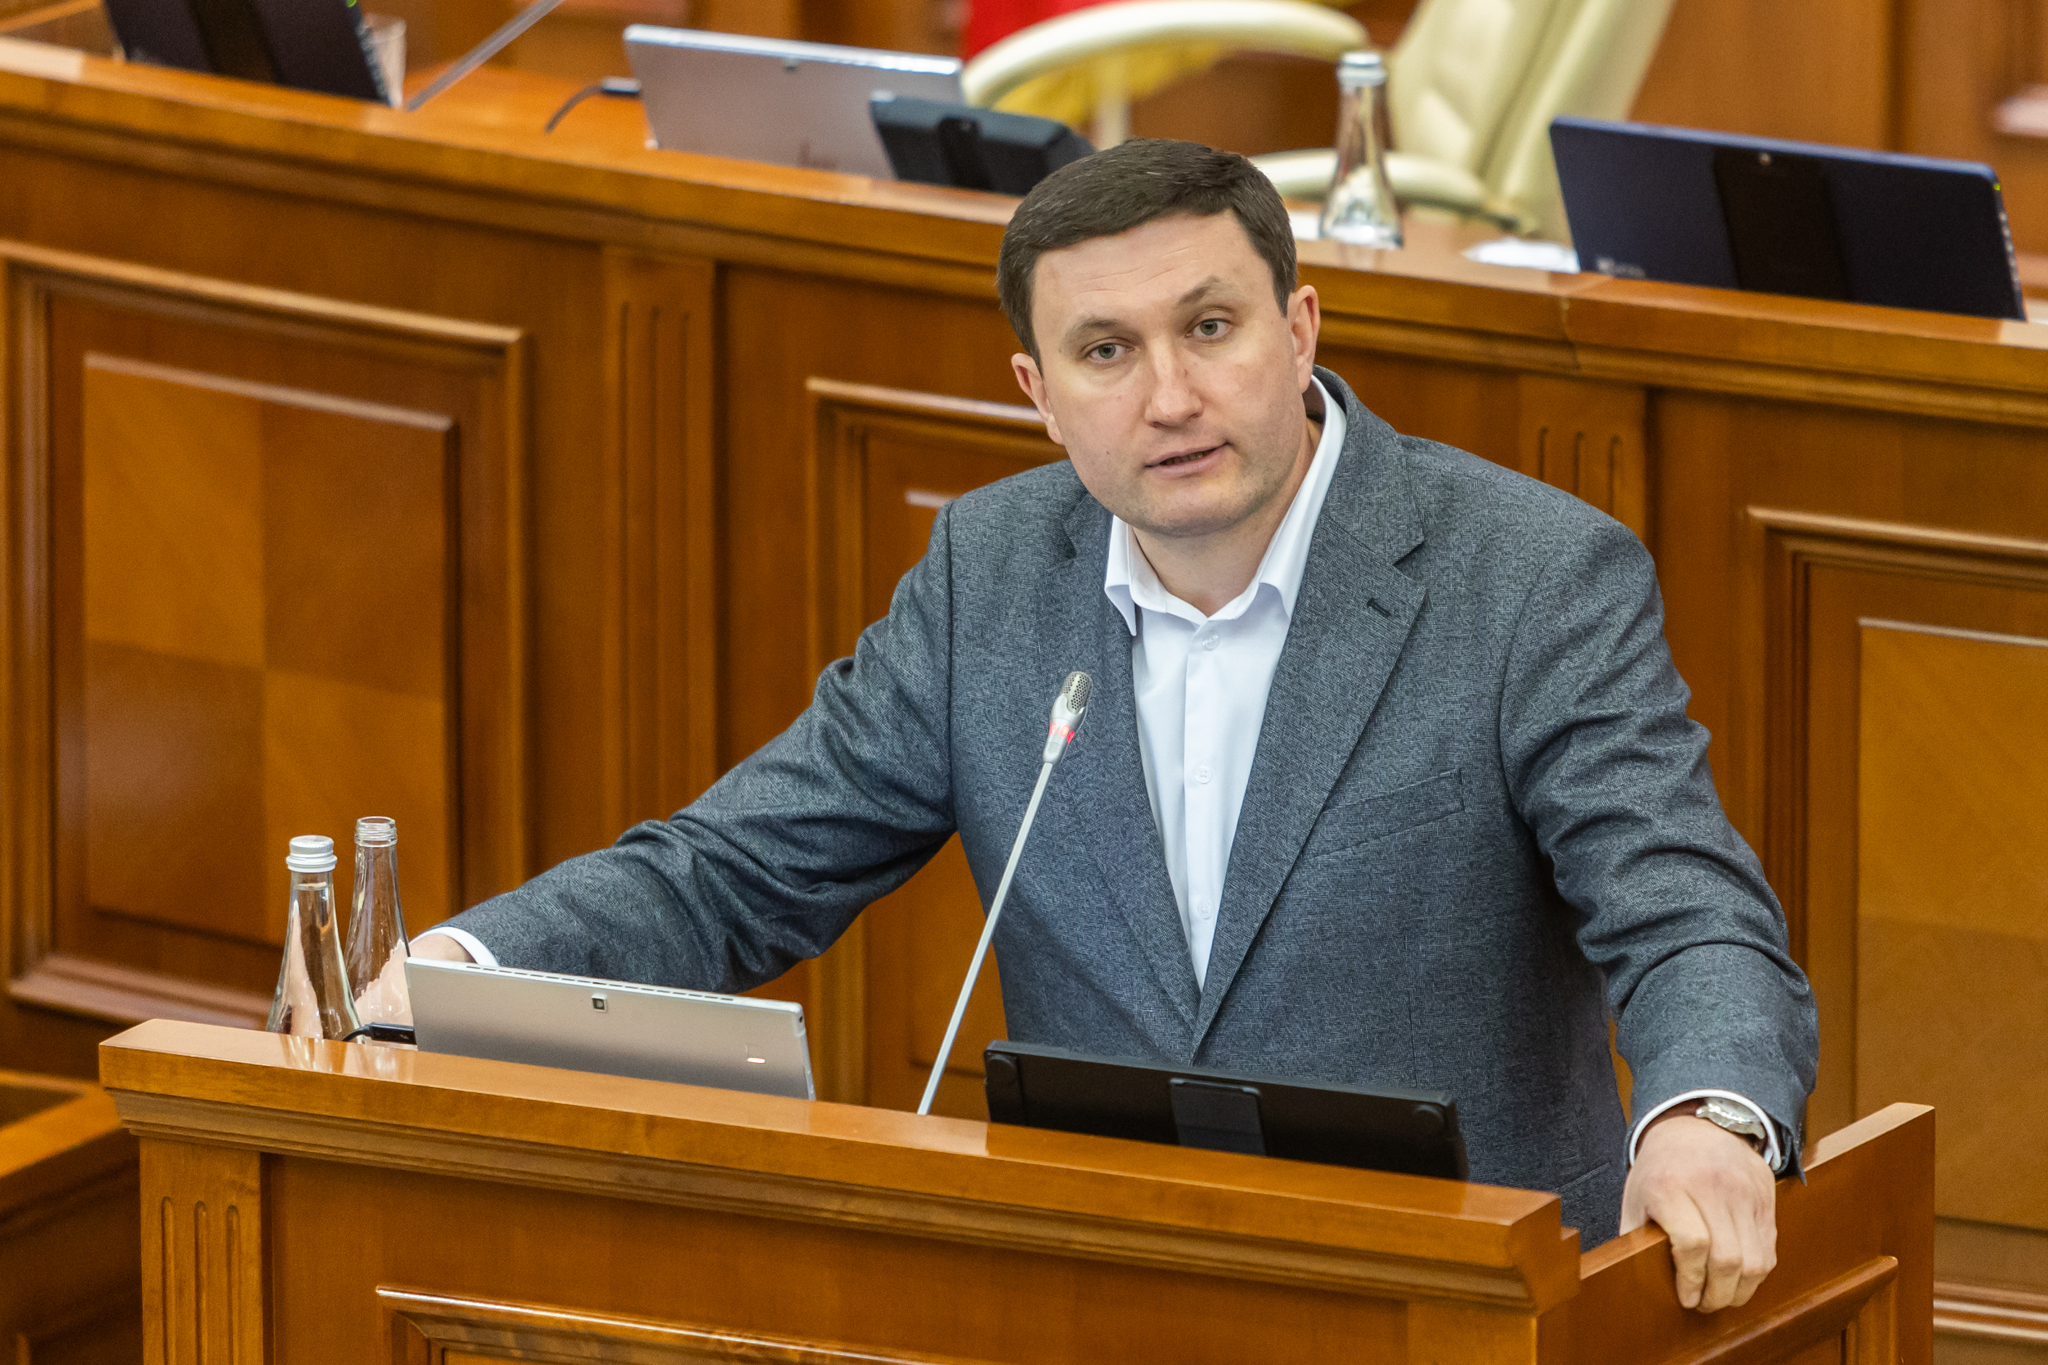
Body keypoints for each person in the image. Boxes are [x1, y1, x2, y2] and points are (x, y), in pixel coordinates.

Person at [416, 138, 1817, 1312]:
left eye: (1209, 328)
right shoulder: (988, 577)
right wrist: (456, 971)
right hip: (1097, 1293)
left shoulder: (1529, 575)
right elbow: (732, 871)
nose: (1170, 397)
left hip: (1452, 1307)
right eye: (1106, 351)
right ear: (1038, 394)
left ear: (1300, 329)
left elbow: (1686, 908)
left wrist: (1709, 1113)